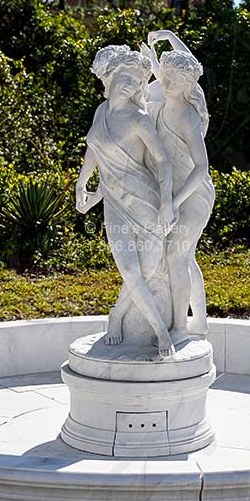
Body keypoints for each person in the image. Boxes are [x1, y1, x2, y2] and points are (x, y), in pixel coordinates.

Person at [75, 45, 177, 357]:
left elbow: (163, 162)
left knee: (144, 273)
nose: (131, 84)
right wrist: (82, 184)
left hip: (145, 202)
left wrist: (166, 204)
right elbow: (95, 147)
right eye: (126, 77)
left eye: (137, 79)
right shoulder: (100, 113)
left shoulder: (139, 118)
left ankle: (117, 314)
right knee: (131, 272)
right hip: (113, 203)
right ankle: (161, 333)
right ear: (110, 77)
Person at [145, 29, 215, 342]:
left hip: (194, 196)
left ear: (189, 85)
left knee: (176, 256)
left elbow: (201, 168)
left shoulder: (187, 113)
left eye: (174, 79)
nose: (167, 82)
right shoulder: (162, 96)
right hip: (173, 194)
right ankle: (199, 321)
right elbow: (181, 65)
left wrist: (174, 203)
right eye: (165, 76)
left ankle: (179, 326)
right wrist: (169, 38)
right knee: (185, 257)